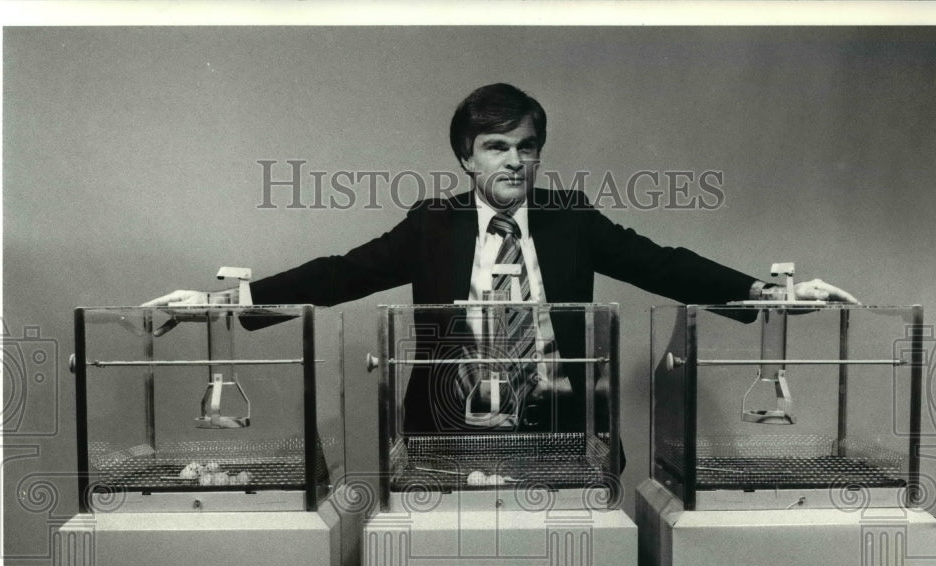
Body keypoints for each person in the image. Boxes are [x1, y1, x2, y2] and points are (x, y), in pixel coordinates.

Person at [144, 83, 858, 435]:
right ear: (466, 156)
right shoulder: (433, 224)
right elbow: (342, 273)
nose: (513, 160)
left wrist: (766, 292)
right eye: (496, 146)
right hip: (446, 419)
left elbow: (662, 262)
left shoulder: (572, 218)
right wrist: (227, 305)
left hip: (559, 416)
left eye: (526, 146)